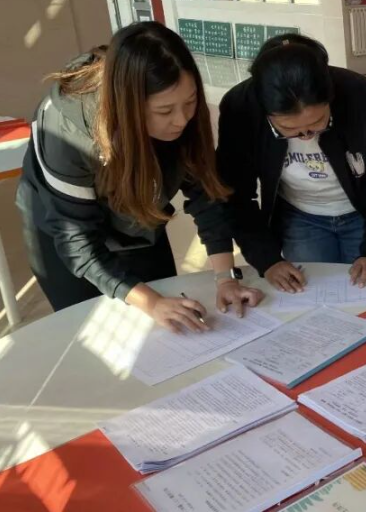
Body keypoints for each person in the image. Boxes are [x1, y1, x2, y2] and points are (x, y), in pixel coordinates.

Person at [16, 22, 262, 331]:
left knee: (163, 326)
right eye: (164, 111)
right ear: (127, 106)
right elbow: (77, 242)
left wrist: (225, 279)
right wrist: (151, 301)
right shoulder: (65, 128)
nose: (182, 120)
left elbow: (206, 196)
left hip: (138, 214)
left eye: (190, 102)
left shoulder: (181, 119)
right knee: (88, 328)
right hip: (67, 228)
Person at [216, 34, 366, 293]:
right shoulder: (241, 107)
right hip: (300, 218)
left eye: (317, 122)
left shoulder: (358, 93)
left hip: (362, 214)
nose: (306, 136)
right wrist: (267, 259)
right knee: (313, 294)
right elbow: (235, 194)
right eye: (288, 128)